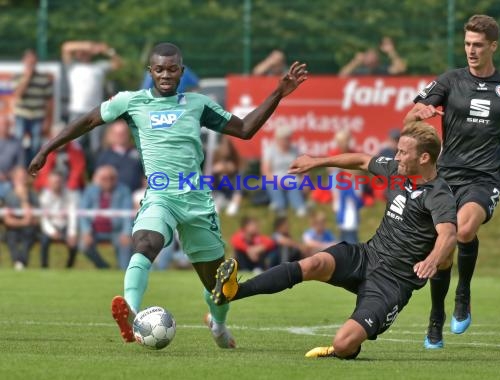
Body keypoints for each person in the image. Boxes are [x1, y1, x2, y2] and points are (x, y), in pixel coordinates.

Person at [28, 42, 308, 349]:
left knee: (217, 285)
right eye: (159, 69)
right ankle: (132, 312)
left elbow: (245, 129)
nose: (165, 74)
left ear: (181, 71)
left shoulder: (197, 104)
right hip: (160, 195)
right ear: (150, 71)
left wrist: (279, 92)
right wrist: (47, 148)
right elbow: (88, 121)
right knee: (145, 242)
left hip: (197, 200)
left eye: (172, 69)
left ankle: (218, 325)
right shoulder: (130, 102)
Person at [210, 122, 457, 359]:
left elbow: (448, 234)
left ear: (424, 158)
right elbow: (361, 160)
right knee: (312, 264)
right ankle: (234, 291)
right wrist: (316, 161)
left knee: (343, 344)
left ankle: (342, 351)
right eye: (398, 150)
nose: (397, 156)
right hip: (366, 255)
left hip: (393, 282)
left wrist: (432, 260)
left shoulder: (439, 195)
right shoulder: (396, 170)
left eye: (403, 152)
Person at [403, 14, 500, 348]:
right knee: (443, 251)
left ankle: (463, 294)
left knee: (463, 230)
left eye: (478, 45)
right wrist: (419, 112)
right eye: (467, 44)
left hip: (485, 177)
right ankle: (435, 319)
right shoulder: (449, 81)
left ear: (493, 46)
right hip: (447, 177)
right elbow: (413, 112)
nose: (471, 51)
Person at [61, 40, 123, 160]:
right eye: (81, 52)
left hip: (96, 111)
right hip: (77, 111)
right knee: (75, 145)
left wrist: (107, 51)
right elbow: (66, 48)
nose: (83, 54)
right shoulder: (72, 66)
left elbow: (118, 64)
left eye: (86, 52)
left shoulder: (99, 67)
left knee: (97, 146)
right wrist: (89, 46)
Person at [79, 165, 132, 270]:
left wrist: (126, 233)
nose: (108, 181)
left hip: (116, 230)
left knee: (126, 245)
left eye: (111, 178)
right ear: (98, 179)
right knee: (83, 245)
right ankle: (103, 267)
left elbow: (128, 214)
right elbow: (82, 213)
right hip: (94, 230)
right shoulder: (90, 191)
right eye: (104, 178)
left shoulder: (124, 191)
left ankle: (124, 271)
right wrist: (86, 231)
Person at [12, 49, 54, 165]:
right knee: (19, 143)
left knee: (36, 144)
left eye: (33, 60)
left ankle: (33, 167)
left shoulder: (44, 78)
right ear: (24, 61)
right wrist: (27, 77)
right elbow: (18, 94)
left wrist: (48, 120)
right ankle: (20, 166)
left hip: (38, 116)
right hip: (22, 115)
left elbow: (49, 101)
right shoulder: (18, 77)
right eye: (28, 60)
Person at [261, 126, 307, 217]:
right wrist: (277, 181)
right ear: (278, 139)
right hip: (274, 178)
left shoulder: (295, 150)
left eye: (288, 138)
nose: (287, 141)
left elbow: (304, 166)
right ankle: (280, 207)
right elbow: (265, 170)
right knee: (273, 185)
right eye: (285, 139)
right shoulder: (270, 150)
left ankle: (300, 207)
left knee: (295, 186)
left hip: (292, 178)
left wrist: (305, 180)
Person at [38, 171, 78, 268]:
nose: (57, 184)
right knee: (44, 241)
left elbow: (73, 216)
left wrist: (72, 233)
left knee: (74, 245)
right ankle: (44, 268)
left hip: (65, 226)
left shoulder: (70, 195)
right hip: (50, 227)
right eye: (54, 182)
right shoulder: (44, 196)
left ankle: (69, 268)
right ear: (49, 183)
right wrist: (52, 232)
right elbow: (43, 219)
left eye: (59, 182)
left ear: (63, 182)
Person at [3, 167, 40, 270]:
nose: (23, 180)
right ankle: (19, 263)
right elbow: (7, 220)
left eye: (24, 178)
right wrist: (23, 222)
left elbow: (34, 218)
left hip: (29, 228)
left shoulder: (33, 196)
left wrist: (24, 198)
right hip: (14, 228)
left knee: (28, 235)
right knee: (11, 236)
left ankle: (20, 264)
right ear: (14, 180)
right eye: (20, 178)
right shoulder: (8, 196)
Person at [95, 119, 144, 192]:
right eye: (117, 134)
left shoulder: (138, 152)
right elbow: (97, 180)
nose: (121, 137)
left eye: (123, 133)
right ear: (111, 135)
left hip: (137, 193)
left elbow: (145, 175)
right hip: (114, 195)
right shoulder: (104, 155)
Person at [339, 37, 407, 77]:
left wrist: (391, 51)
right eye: (368, 54)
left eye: (373, 55)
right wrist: (355, 62)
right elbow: (342, 76)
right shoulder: (360, 71)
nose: (370, 57)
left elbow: (400, 69)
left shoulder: (381, 70)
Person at [0, 115, 25, 199]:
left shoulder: (16, 143)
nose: (4, 127)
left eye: (6, 124)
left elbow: (20, 167)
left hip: (10, 181)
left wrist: (7, 175)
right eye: (2, 124)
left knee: (17, 192)